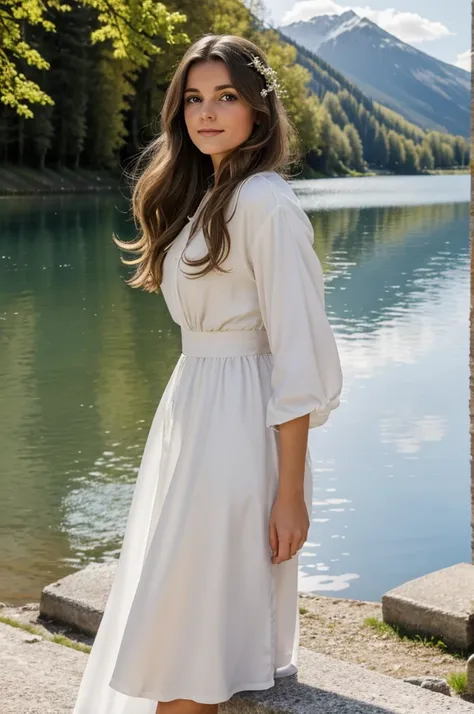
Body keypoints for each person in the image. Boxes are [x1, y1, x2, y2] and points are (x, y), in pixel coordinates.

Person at [72, 32, 343, 714]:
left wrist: (289, 492)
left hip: (242, 437)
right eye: (194, 98)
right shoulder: (204, 196)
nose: (207, 112)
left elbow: (297, 360)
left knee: (192, 649)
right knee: (180, 636)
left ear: (259, 108)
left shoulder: (264, 204)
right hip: (194, 412)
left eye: (226, 96)